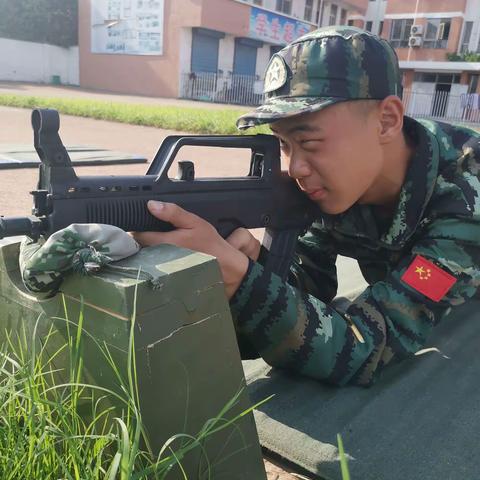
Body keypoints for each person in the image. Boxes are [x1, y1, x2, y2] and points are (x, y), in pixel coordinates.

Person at [133, 26, 480, 386]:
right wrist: (257, 266)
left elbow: (369, 347)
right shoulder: (336, 181)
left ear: (387, 120)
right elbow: (310, 287)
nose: (295, 167)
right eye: (283, 144)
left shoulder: (466, 195)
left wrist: (241, 280)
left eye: (309, 142)